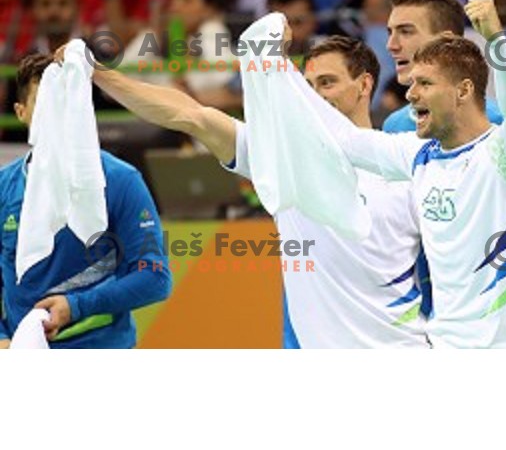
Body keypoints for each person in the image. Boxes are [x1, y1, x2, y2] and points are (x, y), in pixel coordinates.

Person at [85, 34, 429, 349]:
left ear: (365, 84)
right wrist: (99, 74)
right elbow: (190, 115)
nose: (317, 98)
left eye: (328, 83)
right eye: (308, 88)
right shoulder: (281, 158)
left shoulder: (405, 161)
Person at [292, 0, 506, 348]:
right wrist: (272, 71)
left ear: (463, 90)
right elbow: (342, 138)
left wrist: (495, 37)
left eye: (425, 84)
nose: (411, 94)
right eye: (411, 84)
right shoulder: (416, 154)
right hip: (444, 348)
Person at [0, 54, 172, 349]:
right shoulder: (4, 187)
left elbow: (154, 278)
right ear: (21, 111)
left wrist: (77, 306)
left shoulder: (121, 180)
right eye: (45, 104)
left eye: (66, 101)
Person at [383, 0, 503, 133]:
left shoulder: (497, 122)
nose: (391, 45)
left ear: (446, 41)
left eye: (406, 32)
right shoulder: (393, 126)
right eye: (390, 33)